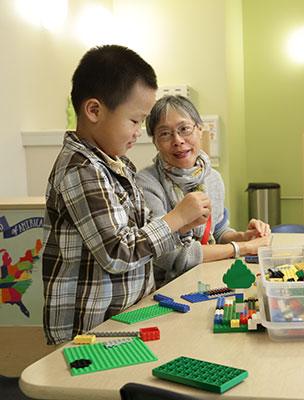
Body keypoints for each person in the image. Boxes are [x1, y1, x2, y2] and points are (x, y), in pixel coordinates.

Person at [42, 45, 211, 345]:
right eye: (134, 121)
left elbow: (142, 236)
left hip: (127, 317)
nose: (138, 132)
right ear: (94, 110)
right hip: (88, 330)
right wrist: (175, 220)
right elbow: (118, 253)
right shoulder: (81, 170)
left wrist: (181, 227)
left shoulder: (118, 165)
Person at [136, 95, 270, 288]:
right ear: (155, 142)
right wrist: (241, 248)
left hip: (208, 277)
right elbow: (167, 256)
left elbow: (218, 231)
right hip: (163, 289)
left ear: (200, 130)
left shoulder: (212, 177)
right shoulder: (146, 183)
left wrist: (245, 236)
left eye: (185, 129)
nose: (178, 140)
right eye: (165, 134)